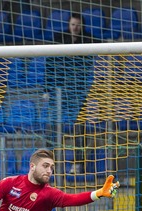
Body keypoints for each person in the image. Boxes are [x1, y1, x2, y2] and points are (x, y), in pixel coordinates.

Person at [48, 13, 99, 173]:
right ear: (68, 25)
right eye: (72, 24)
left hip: (80, 92)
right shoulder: (59, 39)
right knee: (54, 128)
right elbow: (51, 64)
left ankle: (77, 162)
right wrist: (47, 89)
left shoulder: (89, 40)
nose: (75, 27)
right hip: (61, 92)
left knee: (79, 129)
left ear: (82, 26)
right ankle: (51, 163)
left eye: (77, 24)